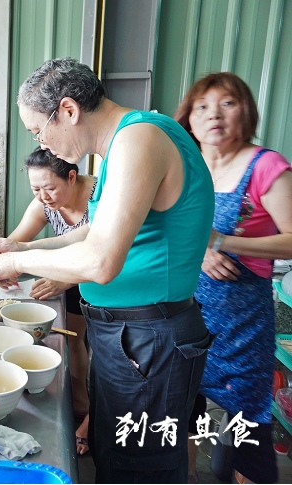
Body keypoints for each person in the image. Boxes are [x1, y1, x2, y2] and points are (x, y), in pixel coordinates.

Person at [0, 57, 215, 483]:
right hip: (130, 337)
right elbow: (87, 236)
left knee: (139, 471)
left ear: (68, 111)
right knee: (115, 460)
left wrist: (16, 262)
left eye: (38, 130)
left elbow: (101, 261)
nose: (43, 144)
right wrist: (22, 245)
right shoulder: (118, 149)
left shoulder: (140, 138)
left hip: (149, 340)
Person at [175, 72, 292, 484]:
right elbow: (168, 226)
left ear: (247, 111)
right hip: (185, 315)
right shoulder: (186, 166)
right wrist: (203, 251)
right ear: (188, 118)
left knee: (248, 431)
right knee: (182, 417)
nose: (214, 115)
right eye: (202, 106)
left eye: (227, 103)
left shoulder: (267, 166)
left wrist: (225, 241)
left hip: (241, 324)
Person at [8, 146, 95, 456]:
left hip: (106, 278)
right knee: (74, 339)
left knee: (105, 356)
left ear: (72, 177)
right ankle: (81, 406)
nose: (43, 196)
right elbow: (18, 242)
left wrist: (65, 278)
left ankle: (91, 418)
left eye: (49, 188)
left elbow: (107, 258)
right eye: (36, 189)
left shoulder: (99, 197)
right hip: (69, 277)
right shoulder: (44, 202)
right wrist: (1, 253)